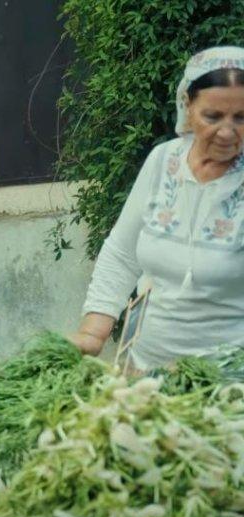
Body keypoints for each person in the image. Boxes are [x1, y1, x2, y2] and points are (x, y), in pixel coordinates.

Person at [71, 47, 244, 370]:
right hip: (146, 372)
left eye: (241, 118)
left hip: (229, 389)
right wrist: (93, 332)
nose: (227, 131)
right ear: (188, 107)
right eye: (213, 116)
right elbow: (122, 254)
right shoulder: (164, 161)